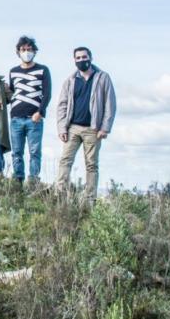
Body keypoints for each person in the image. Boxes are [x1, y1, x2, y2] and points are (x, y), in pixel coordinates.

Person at [54, 47, 117, 204]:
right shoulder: (70, 80)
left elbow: (110, 104)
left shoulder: (102, 78)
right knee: (65, 160)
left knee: (91, 164)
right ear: (74, 60)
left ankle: (90, 199)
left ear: (91, 58)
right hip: (73, 127)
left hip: (93, 129)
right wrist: (62, 128)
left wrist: (105, 127)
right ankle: (61, 194)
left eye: (84, 57)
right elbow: (62, 105)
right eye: (78, 58)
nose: (82, 60)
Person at [8, 36, 51, 186]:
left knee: (34, 153)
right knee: (17, 152)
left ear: (34, 51)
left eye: (29, 49)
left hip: (34, 118)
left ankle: (33, 182)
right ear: (18, 51)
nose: (26, 52)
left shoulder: (43, 70)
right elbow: (11, 92)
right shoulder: (13, 72)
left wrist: (40, 112)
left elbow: (47, 93)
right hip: (16, 119)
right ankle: (18, 182)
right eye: (23, 49)